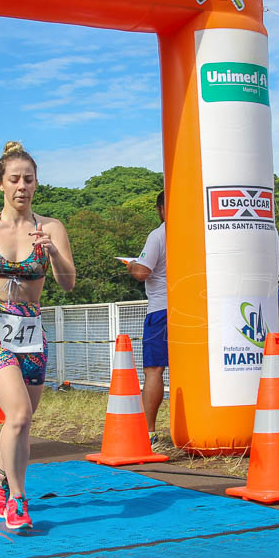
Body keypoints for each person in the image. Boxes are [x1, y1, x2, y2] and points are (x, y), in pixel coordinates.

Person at [0, 141, 76, 530]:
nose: (22, 186)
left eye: (29, 179)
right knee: (18, 414)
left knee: (22, 422)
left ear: (37, 183)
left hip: (30, 331)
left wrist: (53, 252)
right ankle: (18, 501)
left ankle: (0, 479)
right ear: (0, 184)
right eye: (14, 179)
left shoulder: (51, 228)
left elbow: (68, 283)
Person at [126, 190, 167, 446]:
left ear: (161, 209)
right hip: (194, 312)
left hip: (161, 311)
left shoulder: (158, 235)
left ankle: (148, 431)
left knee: (154, 370)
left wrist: (131, 264)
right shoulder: (197, 233)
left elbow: (142, 272)